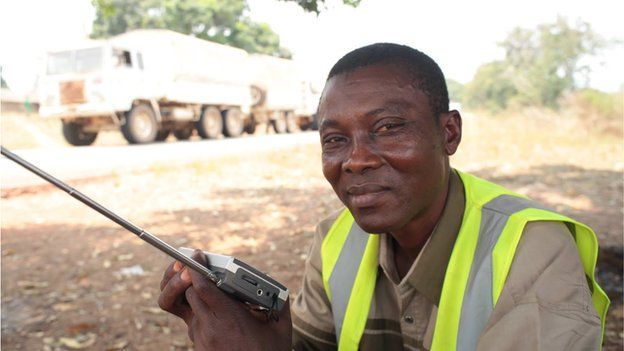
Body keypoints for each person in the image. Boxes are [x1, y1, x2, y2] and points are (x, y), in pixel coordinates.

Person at [158, 43, 609, 350]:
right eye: (334, 139)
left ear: (448, 133)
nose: (355, 161)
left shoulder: (533, 247)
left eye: (388, 128)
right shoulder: (336, 240)